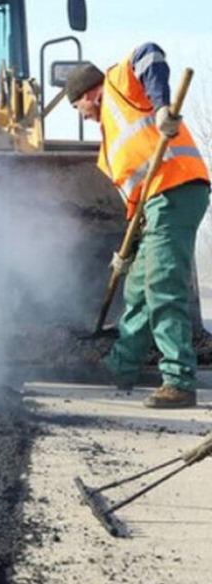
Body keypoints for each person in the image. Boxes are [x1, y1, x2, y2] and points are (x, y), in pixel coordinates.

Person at [66, 43, 210, 409]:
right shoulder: (108, 147)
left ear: (89, 93)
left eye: (77, 106)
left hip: (176, 190)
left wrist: (162, 108)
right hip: (154, 207)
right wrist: (125, 254)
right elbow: (135, 201)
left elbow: (150, 54)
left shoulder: (117, 83)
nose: (79, 114)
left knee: (162, 286)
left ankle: (179, 381)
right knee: (137, 291)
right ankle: (122, 367)